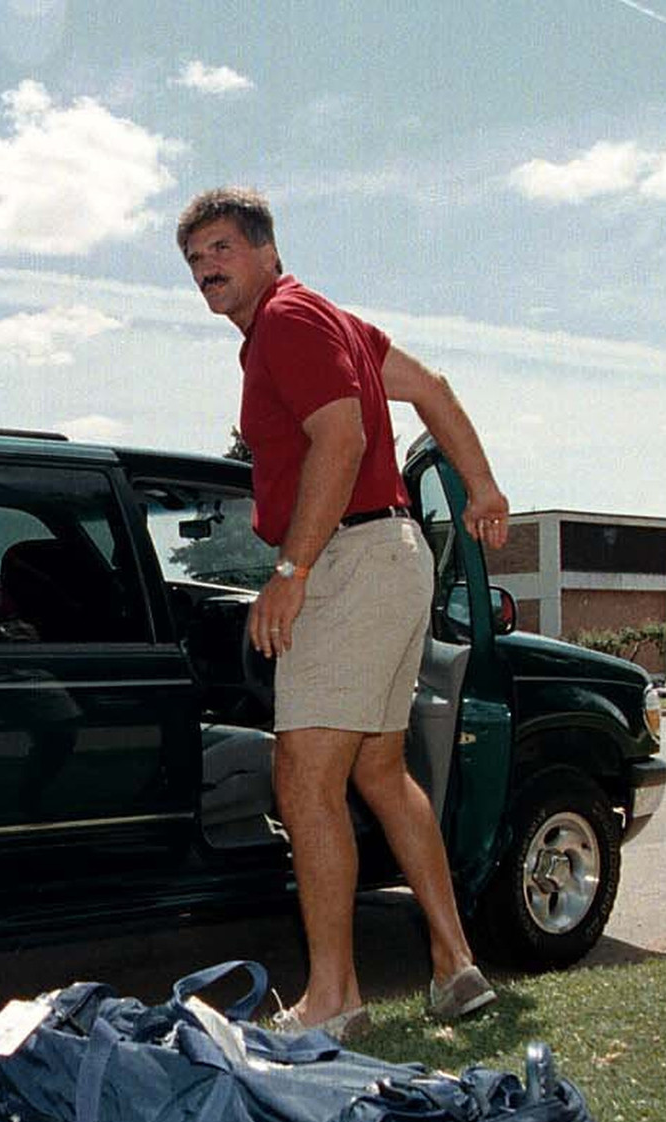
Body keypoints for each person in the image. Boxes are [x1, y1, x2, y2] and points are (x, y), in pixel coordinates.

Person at [176, 186, 512, 1039]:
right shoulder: (334, 325)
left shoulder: (286, 324)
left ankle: (334, 1000)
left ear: (265, 250)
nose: (206, 269)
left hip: (349, 559)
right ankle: (455, 964)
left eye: (220, 249)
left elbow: (344, 440)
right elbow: (431, 387)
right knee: (376, 770)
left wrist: (290, 570)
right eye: (194, 260)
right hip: (396, 557)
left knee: (304, 778)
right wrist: (482, 487)